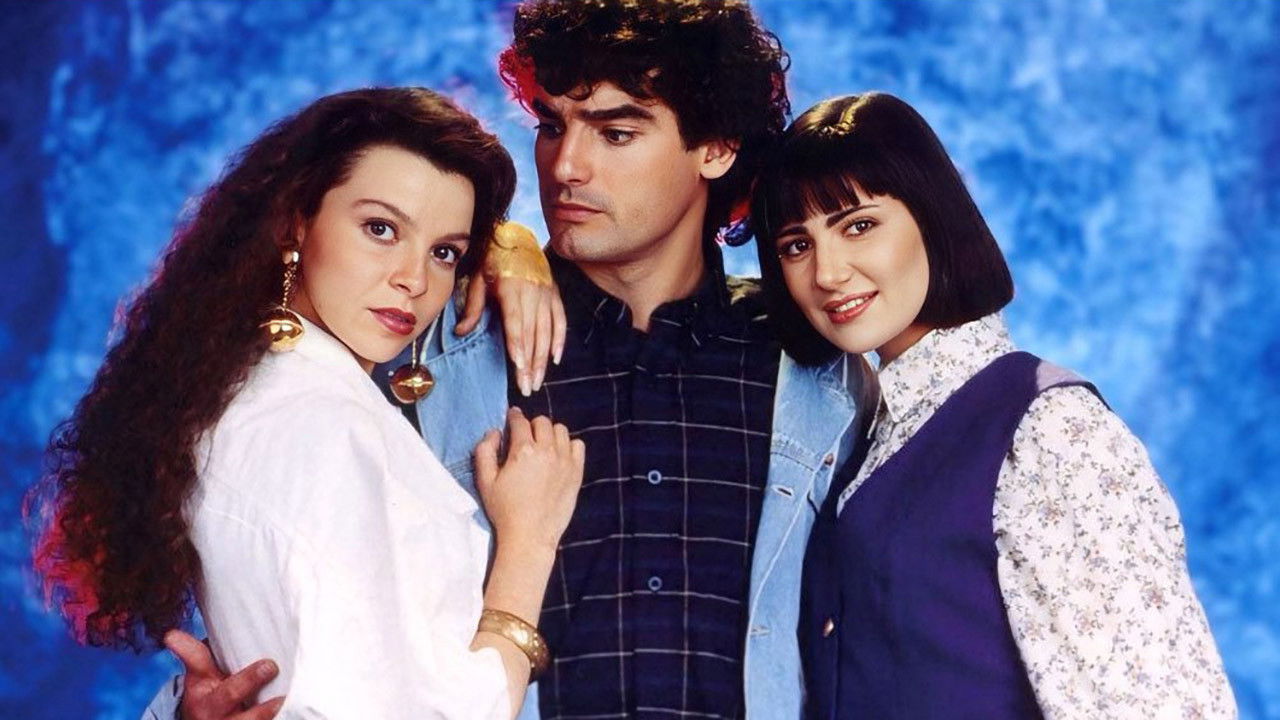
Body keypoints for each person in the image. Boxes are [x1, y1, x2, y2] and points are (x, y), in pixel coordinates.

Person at [150, 2, 867, 719]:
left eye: (615, 133)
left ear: (716, 147)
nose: (567, 167)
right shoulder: (427, 348)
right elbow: (312, 602)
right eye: (552, 126)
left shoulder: (816, 368)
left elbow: (878, 631)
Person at [29, 87, 585, 719]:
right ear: (298, 220)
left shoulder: (232, 388)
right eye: (380, 229)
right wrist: (529, 545)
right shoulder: (330, 428)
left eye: (444, 252)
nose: (414, 279)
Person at [751, 92, 1237, 719]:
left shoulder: (1050, 429)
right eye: (796, 245)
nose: (827, 273)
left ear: (932, 215)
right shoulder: (864, 434)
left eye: (858, 226)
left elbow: (1162, 705)